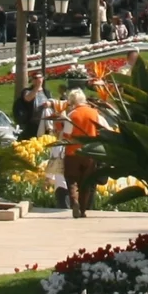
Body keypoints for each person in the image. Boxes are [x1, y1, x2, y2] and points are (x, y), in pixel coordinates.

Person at [60, 88, 106, 217]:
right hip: (90, 153)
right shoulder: (95, 113)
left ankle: (74, 201)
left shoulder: (72, 115)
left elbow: (66, 135)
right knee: (86, 182)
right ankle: (83, 210)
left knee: (71, 180)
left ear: (72, 101)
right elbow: (104, 130)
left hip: (72, 153)